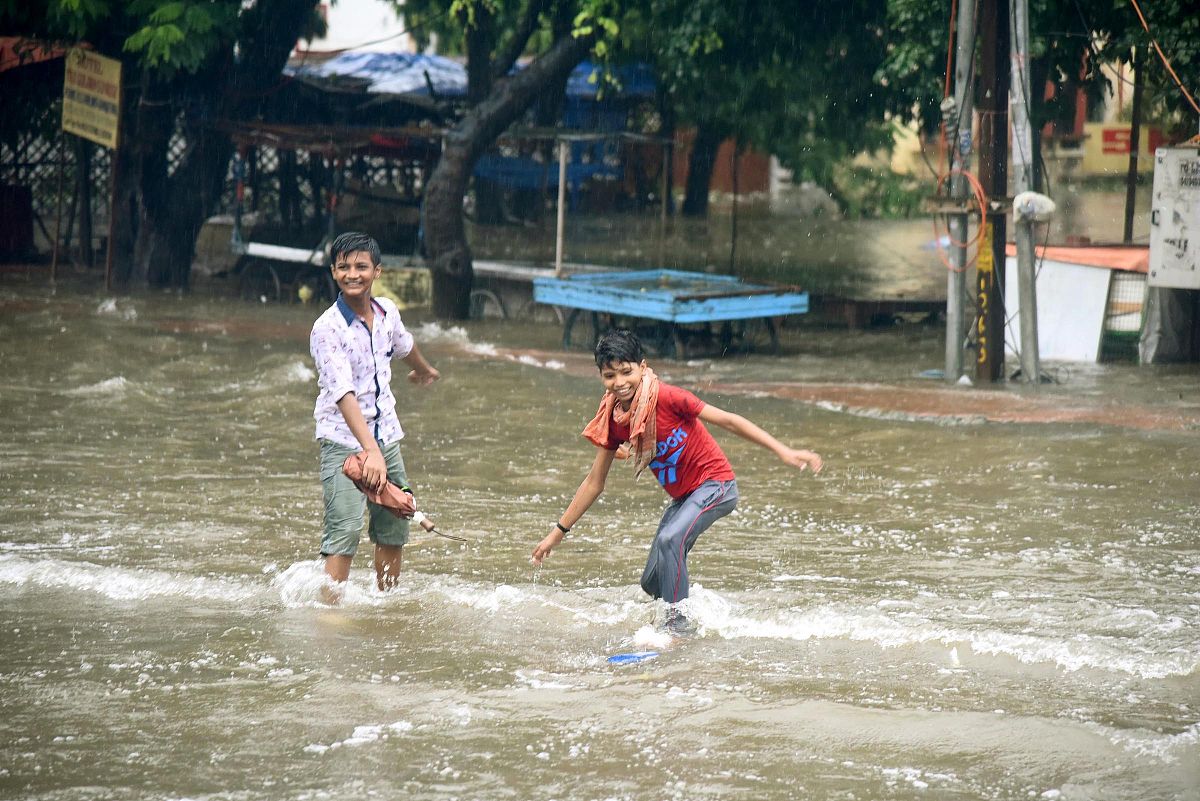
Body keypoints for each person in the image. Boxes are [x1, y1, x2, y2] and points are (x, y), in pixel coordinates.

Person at [531, 328, 822, 633]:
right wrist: (558, 533)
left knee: (672, 541)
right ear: (601, 377)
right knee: (652, 580)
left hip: (716, 486)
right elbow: (594, 482)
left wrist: (783, 451)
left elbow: (729, 421)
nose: (619, 383)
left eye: (626, 372)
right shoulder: (615, 421)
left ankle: (677, 629)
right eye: (609, 376)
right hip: (684, 498)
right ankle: (696, 613)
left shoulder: (669, 397)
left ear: (643, 367)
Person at [309, 231, 440, 602]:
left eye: (361, 266)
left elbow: (404, 344)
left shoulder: (386, 312)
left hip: (386, 436)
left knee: (395, 521)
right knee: (345, 530)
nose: (353, 274)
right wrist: (371, 453)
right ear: (334, 273)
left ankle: (386, 605)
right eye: (344, 267)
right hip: (343, 441)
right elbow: (342, 394)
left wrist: (424, 370)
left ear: (377, 271)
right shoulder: (327, 329)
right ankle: (330, 615)